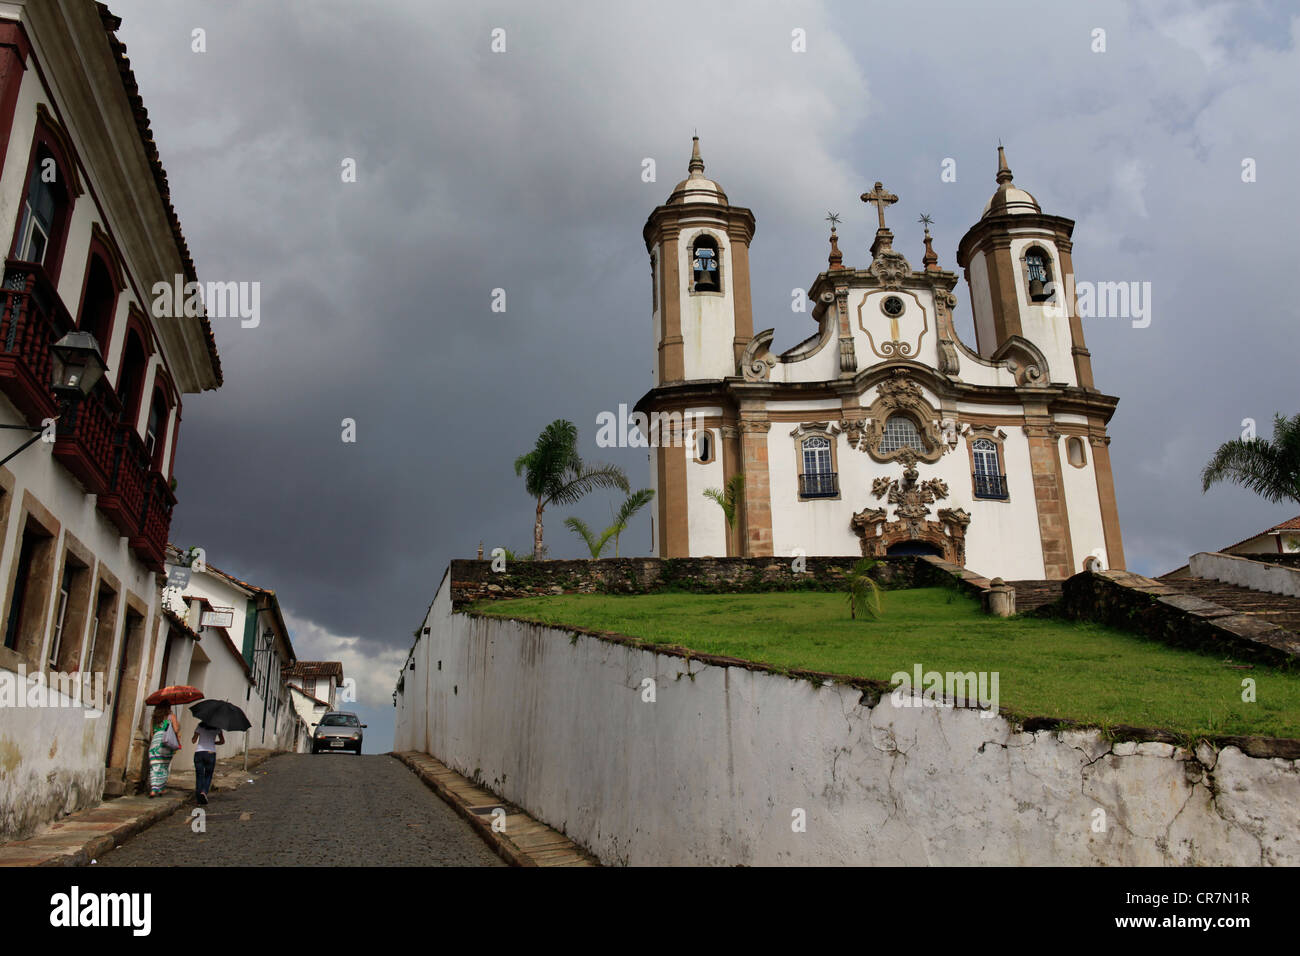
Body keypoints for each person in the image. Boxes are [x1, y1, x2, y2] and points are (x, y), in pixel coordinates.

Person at [146, 705, 180, 797]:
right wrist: (177, 723)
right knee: (164, 766)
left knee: (154, 766)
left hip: (155, 743)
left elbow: (152, 733)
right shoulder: (171, 716)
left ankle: (153, 789)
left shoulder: (154, 718)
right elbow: (176, 730)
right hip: (166, 742)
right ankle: (161, 788)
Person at [191, 722, 224, 805]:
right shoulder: (218, 728)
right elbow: (222, 741)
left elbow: (193, 740)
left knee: (199, 776)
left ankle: (198, 798)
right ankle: (204, 792)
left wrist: (195, 737)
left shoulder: (200, 726)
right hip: (211, 753)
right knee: (208, 775)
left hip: (199, 753)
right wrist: (214, 742)